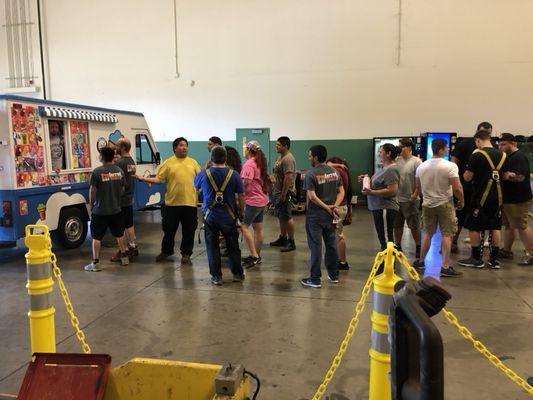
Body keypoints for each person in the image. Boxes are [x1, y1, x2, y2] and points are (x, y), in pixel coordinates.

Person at [138, 137, 201, 264]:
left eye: (186, 145)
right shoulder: (168, 163)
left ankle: (186, 254)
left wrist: (200, 190)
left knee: (189, 230)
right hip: (172, 204)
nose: (184, 148)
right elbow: (159, 179)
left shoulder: (193, 163)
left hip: (190, 203)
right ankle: (167, 251)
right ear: (175, 148)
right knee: (169, 229)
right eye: (181, 145)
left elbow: (200, 180)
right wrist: (144, 179)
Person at [194, 146, 245, 285]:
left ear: (211, 159)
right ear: (226, 159)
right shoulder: (233, 175)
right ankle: (237, 274)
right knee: (233, 246)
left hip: (210, 218)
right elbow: (241, 195)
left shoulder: (203, 174)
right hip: (229, 217)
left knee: (212, 247)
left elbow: (196, 189)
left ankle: (216, 276)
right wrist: (241, 213)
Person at [413, 139, 464, 277]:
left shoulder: (421, 167)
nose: (448, 150)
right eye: (446, 148)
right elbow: (457, 187)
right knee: (447, 234)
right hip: (445, 204)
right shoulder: (450, 166)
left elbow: (418, 188)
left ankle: (421, 261)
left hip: (427, 204)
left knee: (428, 234)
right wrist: (461, 200)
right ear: (441, 149)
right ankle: (445, 266)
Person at [459, 129, 508, 269]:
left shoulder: (477, 155)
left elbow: (467, 177)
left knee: (474, 227)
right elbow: (504, 176)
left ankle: (476, 259)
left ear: (478, 140)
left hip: (480, 197)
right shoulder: (503, 156)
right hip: (497, 197)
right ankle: (493, 260)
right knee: (495, 227)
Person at [301, 145, 344, 288]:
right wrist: (334, 206)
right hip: (331, 215)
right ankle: (334, 275)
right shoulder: (334, 172)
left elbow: (312, 197)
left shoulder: (311, 174)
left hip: (315, 216)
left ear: (315, 157)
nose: (308, 158)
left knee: (315, 246)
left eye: (309, 156)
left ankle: (315, 279)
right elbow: (341, 191)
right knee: (331, 244)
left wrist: (326, 207)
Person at [84, 147, 129, 271]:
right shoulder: (119, 171)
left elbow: (92, 190)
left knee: (96, 237)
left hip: (100, 211)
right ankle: (124, 258)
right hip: (116, 209)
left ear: (102, 157)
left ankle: (96, 263)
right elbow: (123, 189)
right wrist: (115, 198)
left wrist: (91, 204)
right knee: (120, 234)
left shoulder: (97, 172)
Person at [451, 121, 493, 252]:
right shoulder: (465, 144)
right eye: (484, 133)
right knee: (460, 215)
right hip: (465, 187)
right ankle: (453, 241)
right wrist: (456, 179)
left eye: (489, 133)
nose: (486, 136)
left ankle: (479, 244)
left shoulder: (492, 149)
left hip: (483, 189)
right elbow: (454, 161)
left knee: (482, 217)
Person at [498, 133, 533, 265]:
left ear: (513, 144)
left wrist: (507, 176)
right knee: (508, 226)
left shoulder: (519, 157)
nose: (501, 147)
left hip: (518, 198)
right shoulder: (507, 157)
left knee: (521, 226)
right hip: (508, 198)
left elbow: (521, 177)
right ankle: (506, 250)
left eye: (504, 144)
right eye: (499, 144)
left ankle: (531, 253)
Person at [361, 143, 400, 251]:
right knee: (382, 239)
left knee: (387, 240)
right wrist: (366, 179)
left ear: (388, 154)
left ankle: (388, 264)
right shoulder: (384, 168)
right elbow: (379, 183)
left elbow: (392, 191)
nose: (379, 154)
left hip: (385, 208)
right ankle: (386, 261)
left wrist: (371, 192)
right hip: (378, 207)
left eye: (381, 152)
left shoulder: (391, 170)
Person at [240, 141, 270, 268]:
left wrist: (238, 194)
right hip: (262, 200)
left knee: (244, 227)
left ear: (248, 150)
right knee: (258, 228)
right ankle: (257, 255)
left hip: (253, 201)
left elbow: (246, 182)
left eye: (245, 148)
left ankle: (255, 256)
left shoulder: (249, 164)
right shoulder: (259, 163)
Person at [393, 138, 422, 260]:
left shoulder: (416, 162)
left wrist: (415, 193)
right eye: (399, 146)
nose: (401, 149)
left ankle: (419, 246)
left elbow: (420, 180)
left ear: (409, 148)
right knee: (397, 224)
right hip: (397, 199)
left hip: (411, 199)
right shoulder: (396, 161)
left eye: (403, 146)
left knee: (414, 225)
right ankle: (398, 245)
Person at [110, 138, 138, 262]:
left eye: (117, 146)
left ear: (122, 148)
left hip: (120, 199)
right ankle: (133, 246)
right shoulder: (131, 161)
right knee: (129, 223)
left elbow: (115, 181)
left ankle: (123, 250)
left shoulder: (119, 164)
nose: (115, 148)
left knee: (120, 227)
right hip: (129, 197)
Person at [269, 136, 297, 252]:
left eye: (279, 145)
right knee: (281, 216)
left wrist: (283, 195)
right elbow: (278, 175)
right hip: (278, 192)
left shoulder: (288, 159)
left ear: (285, 146)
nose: (276, 146)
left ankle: (291, 242)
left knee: (287, 216)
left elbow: (288, 178)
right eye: (276, 144)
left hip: (284, 193)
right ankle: (283, 238)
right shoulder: (280, 157)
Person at [327, 157, 351, 270]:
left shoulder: (338, 172)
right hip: (342, 206)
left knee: (338, 235)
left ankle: (342, 262)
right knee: (337, 234)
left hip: (338, 208)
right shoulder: (343, 171)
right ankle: (339, 259)